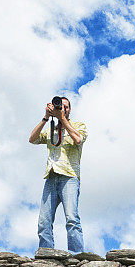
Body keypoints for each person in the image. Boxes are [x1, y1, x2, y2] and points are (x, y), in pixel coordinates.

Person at [29, 97, 87, 254]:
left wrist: (63, 119)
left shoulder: (78, 126)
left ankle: (77, 256)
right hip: (51, 177)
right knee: (44, 221)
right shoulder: (51, 130)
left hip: (69, 177)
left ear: (70, 110)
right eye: (60, 106)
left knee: (72, 218)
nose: (63, 108)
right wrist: (46, 118)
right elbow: (32, 139)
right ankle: (47, 255)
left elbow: (77, 139)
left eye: (66, 107)